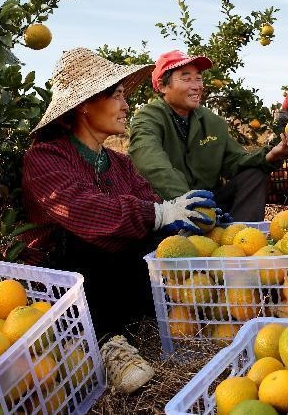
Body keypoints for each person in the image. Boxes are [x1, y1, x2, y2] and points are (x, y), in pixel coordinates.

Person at [21, 47, 220, 394]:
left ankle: (140, 312)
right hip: (66, 281)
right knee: (83, 240)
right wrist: (158, 214)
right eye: (116, 96)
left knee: (158, 245)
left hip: (115, 273)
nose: (126, 106)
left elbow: (150, 202)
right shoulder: (45, 158)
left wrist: (184, 215)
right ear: (85, 104)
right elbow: (84, 211)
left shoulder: (119, 163)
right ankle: (103, 341)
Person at [130, 49, 288, 222]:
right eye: (186, 78)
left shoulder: (213, 122)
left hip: (211, 207)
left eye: (198, 78)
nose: (196, 86)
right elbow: (153, 165)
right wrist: (190, 204)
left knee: (254, 174)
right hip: (168, 210)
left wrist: (271, 154)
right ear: (162, 85)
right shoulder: (148, 118)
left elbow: (235, 162)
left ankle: (240, 237)